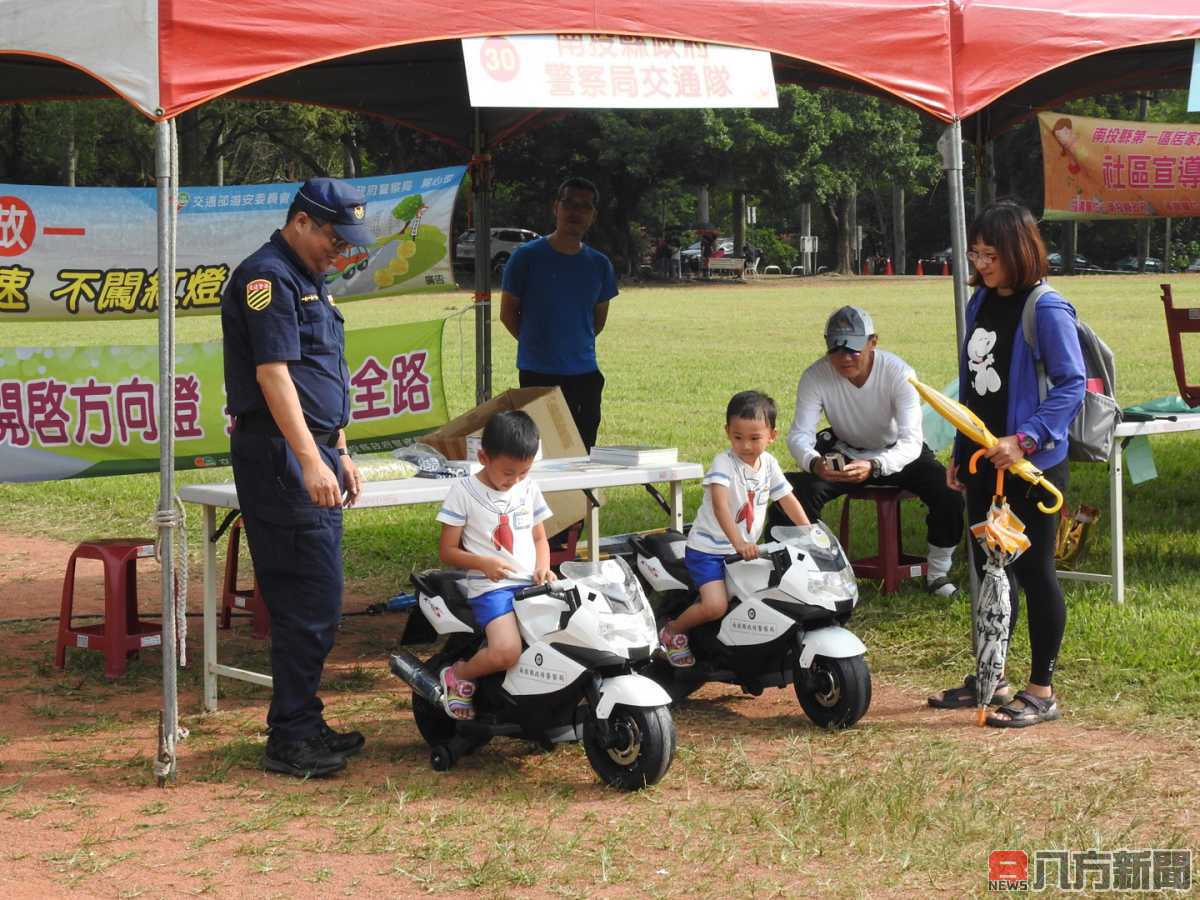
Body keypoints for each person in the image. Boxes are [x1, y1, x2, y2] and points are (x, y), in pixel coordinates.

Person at [221, 177, 371, 778]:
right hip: (281, 456)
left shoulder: (311, 278)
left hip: (313, 449)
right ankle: (290, 736)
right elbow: (275, 376)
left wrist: (339, 448)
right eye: (335, 236)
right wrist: (309, 458)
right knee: (306, 598)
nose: (341, 249)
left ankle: (303, 721)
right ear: (302, 221)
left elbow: (322, 374)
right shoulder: (267, 278)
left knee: (318, 596)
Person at [928, 200, 1084, 727]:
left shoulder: (1047, 308)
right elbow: (972, 386)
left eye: (990, 253)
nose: (980, 262)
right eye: (975, 252)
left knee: (1034, 572)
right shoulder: (978, 303)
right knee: (992, 573)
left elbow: (1072, 386)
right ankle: (991, 678)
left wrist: (1025, 439)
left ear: (1018, 251)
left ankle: (1041, 691)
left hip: (1030, 467)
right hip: (982, 461)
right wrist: (959, 450)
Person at [774, 306, 965, 597]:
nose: (845, 358)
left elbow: (911, 441)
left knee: (947, 491)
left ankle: (937, 573)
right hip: (846, 450)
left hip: (899, 454)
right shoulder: (815, 376)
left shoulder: (899, 373)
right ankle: (802, 571)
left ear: (873, 342)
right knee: (790, 490)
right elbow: (800, 435)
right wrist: (814, 463)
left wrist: (875, 465)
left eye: (853, 349)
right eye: (836, 350)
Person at [658, 391, 811, 667]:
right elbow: (720, 507)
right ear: (727, 432)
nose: (746, 445)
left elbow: (787, 498)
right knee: (715, 605)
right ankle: (673, 631)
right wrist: (739, 542)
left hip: (745, 550)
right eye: (737, 437)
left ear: (772, 435)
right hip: (710, 550)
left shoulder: (770, 465)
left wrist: (808, 531)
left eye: (755, 438)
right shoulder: (723, 463)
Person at [435, 410, 554, 718]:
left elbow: (541, 539)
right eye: (508, 472)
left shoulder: (528, 489)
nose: (514, 480)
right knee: (506, 651)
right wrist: (482, 563)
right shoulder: (463, 492)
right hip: (492, 588)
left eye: (523, 472)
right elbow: (447, 551)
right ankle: (460, 674)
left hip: (532, 584)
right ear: (483, 457)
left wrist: (543, 566)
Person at [500, 176, 618, 450]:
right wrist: (537, 345)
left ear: (593, 216)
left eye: (584, 206)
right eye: (569, 204)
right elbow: (508, 314)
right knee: (539, 451)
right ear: (556, 208)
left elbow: (598, 320)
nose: (575, 212)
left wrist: (573, 345)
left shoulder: (599, 264)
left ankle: (580, 495)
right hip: (537, 374)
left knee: (582, 451)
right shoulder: (526, 257)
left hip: (585, 375)